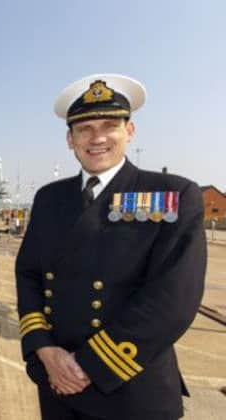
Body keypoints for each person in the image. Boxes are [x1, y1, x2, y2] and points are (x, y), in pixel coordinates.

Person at [15, 74, 207, 420]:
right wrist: (42, 348)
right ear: (70, 139)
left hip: (129, 389)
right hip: (57, 386)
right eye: (84, 128)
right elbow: (28, 274)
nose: (97, 137)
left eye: (109, 125)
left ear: (129, 132)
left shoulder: (173, 195)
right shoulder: (49, 199)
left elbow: (174, 299)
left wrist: (88, 366)